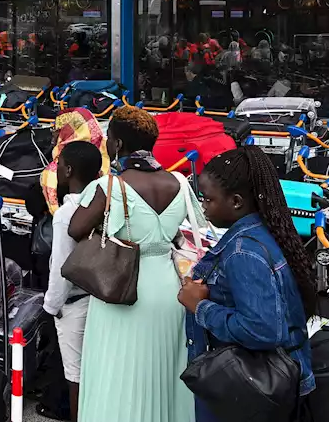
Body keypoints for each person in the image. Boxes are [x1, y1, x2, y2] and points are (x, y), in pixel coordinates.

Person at [68, 106, 201, 422]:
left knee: (116, 373)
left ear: (115, 145)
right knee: (164, 372)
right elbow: (190, 234)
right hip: (169, 290)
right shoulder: (180, 183)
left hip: (123, 287)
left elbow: (75, 229)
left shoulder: (109, 187)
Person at [179, 147, 317, 422]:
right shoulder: (261, 232)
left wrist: (200, 306)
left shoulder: (244, 252)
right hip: (256, 385)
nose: (203, 206)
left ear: (237, 201)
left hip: (250, 391)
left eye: (208, 199)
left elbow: (261, 329)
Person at [41, 141, 103, 421]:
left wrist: (51, 307)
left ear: (68, 170)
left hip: (74, 302)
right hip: (102, 297)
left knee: (75, 376)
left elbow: (61, 269)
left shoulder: (66, 215)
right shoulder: (103, 202)